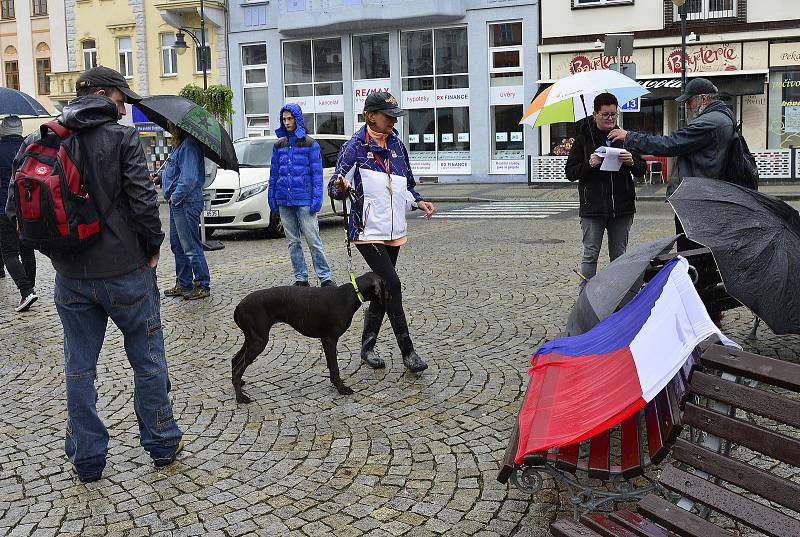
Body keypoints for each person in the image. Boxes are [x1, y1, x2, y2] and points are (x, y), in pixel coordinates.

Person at [5, 66, 184, 482]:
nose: (124, 109)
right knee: (148, 359)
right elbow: (144, 202)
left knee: (79, 367)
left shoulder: (40, 138)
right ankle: (161, 441)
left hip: (70, 276)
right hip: (125, 270)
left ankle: (87, 458)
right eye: (122, 100)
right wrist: (153, 248)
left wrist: (55, 252)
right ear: (103, 94)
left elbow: (17, 209)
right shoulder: (122, 138)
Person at [330, 92, 436, 374]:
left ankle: (367, 345)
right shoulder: (354, 147)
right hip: (366, 229)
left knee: (380, 288)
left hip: (393, 227)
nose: (392, 121)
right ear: (370, 116)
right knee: (392, 284)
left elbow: (407, 183)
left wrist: (418, 200)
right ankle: (408, 350)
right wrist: (340, 188)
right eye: (387, 116)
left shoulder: (397, 145)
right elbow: (334, 186)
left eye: (394, 117)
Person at [607, 77, 735, 251]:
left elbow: (671, 144)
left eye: (689, 101)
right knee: (700, 251)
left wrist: (630, 136)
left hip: (696, 198)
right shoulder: (722, 118)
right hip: (704, 193)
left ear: (704, 98)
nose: (687, 106)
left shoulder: (709, 122)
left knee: (692, 253)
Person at [565, 92, 646, 287]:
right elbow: (570, 172)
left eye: (613, 114)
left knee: (619, 256)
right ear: (594, 114)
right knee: (590, 254)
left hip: (622, 207)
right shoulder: (584, 139)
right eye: (605, 115)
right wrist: (590, 163)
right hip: (593, 208)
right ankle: (585, 300)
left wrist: (631, 161)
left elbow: (641, 169)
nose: (610, 119)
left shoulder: (624, 137)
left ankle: (618, 299)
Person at [268, 103, 334, 287]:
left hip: (304, 199)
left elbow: (316, 175)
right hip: (284, 200)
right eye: (284, 119)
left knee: (313, 240)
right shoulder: (278, 145)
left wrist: (316, 199)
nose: (287, 122)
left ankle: (325, 277)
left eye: (290, 119)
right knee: (292, 242)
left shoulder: (310, 144)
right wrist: (272, 198)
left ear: (297, 119)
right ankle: (301, 278)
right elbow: (274, 174)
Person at [157, 122, 211, 299]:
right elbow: (174, 172)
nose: (169, 128)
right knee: (177, 245)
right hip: (178, 203)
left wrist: (175, 197)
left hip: (186, 202)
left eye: (171, 126)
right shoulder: (179, 146)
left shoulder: (189, 145)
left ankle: (203, 284)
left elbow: (188, 178)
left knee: (190, 246)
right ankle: (183, 282)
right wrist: (159, 177)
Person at [0, 115, 37, 311]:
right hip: (27, 206)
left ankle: (26, 291)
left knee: (9, 252)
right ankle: (30, 288)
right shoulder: (28, 148)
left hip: (3, 208)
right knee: (27, 249)